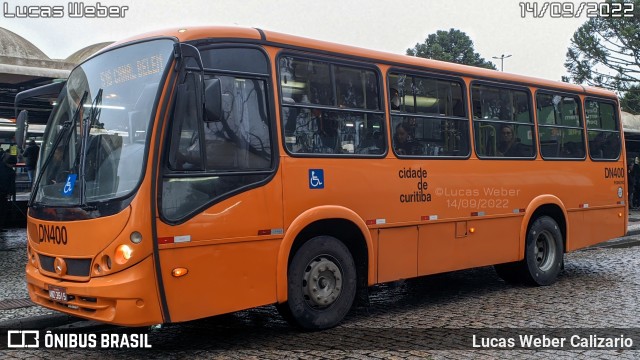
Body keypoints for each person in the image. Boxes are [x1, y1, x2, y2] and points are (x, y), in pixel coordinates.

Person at [0, 153, 16, 232]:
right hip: (4, 194)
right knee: (2, 211)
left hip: (3, 192)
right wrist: (10, 193)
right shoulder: (11, 172)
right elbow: (11, 184)